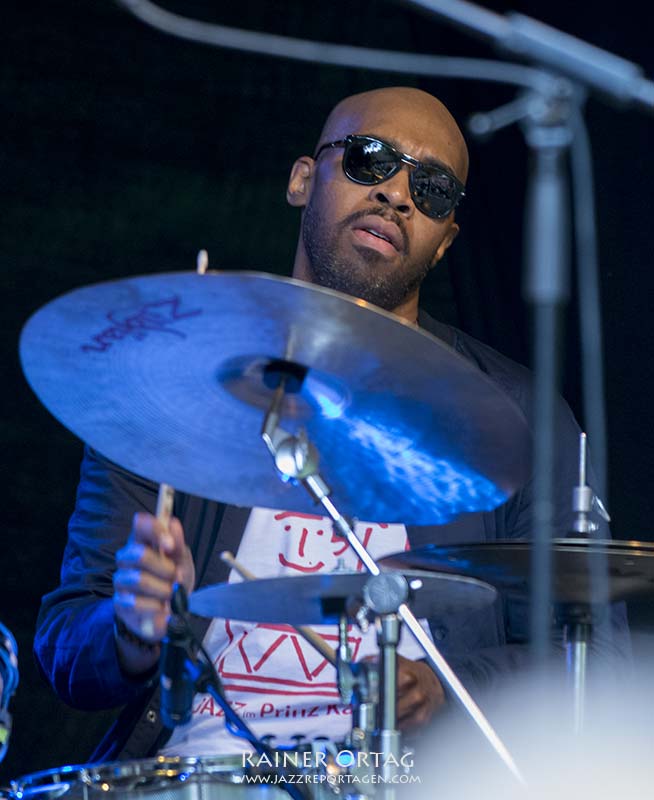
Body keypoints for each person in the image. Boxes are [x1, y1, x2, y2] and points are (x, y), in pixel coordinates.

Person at [34, 87, 627, 764]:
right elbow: (63, 647)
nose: (397, 195)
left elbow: (592, 660)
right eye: (370, 159)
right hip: (198, 772)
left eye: (431, 189)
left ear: (444, 243)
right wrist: (134, 632)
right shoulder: (174, 381)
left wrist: (446, 687)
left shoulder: (517, 415)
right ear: (302, 178)